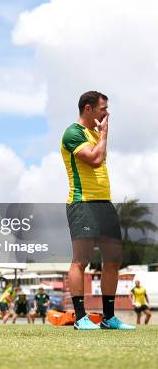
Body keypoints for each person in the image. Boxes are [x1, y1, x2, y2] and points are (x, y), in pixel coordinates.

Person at [61, 91, 134, 330]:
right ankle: (81, 317)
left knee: (113, 260)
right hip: (82, 204)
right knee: (80, 260)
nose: (106, 113)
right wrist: (104, 133)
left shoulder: (95, 134)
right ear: (89, 108)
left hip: (104, 203)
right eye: (103, 109)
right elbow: (93, 159)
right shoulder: (73, 133)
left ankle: (109, 318)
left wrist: (101, 134)